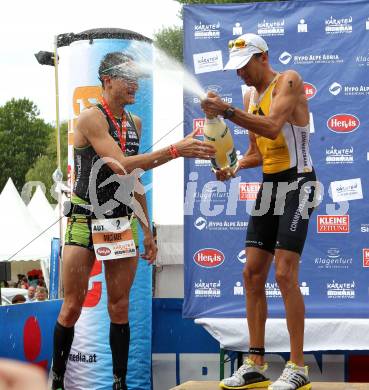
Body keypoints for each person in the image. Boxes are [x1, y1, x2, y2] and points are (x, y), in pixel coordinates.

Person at [51, 51, 215, 390]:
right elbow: (121, 165)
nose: (135, 84)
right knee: (71, 306)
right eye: (128, 78)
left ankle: (119, 383)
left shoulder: (134, 123)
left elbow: (134, 178)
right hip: (83, 220)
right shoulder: (91, 119)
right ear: (107, 80)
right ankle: (57, 380)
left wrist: (147, 228)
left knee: (119, 305)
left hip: (119, 221)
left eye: (137, 78)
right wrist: (175, 150)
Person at [201, 33, 317, 390]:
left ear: (263, 57)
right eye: (234, 69)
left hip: (299, 183)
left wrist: (226, 111)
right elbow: (259, 152)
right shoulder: (250, 96)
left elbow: (271, 126)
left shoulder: (290, 81)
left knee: (284, 274)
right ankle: (255, 362)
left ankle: (298, 366)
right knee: (252, 274)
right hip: (271, 184)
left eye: (244, 66)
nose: (240, 75)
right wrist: (232, 167)